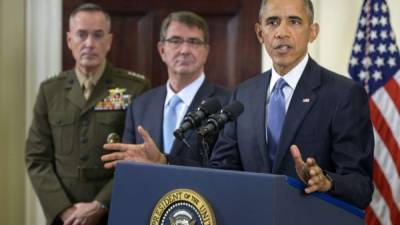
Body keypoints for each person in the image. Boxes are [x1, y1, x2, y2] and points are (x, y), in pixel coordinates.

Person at [208, 0, 374, 209]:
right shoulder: (243, 94)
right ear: (260, 32)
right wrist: (167, 161)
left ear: (313, 32)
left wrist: (325, 181)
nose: (281, 32)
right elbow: (221, 170)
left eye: (294, 21)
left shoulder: (344, 94)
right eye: (272, 22)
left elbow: (360, 186)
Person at [25, 3, 150, 225]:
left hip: (115, 211)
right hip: (65, 216)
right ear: (69, 40)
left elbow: (139, 158)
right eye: (82, 35)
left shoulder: (135, 89)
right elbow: (37, 158)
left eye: (98, 35)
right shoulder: (50, 90)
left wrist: (101, 204)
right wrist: (63, 210)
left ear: (109, 41)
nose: (90, 43)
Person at [101, 11, 230, 168]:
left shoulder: (226, 104)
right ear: (162, 50)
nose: (184, 50)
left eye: (194, 42)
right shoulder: (140, 106)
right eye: (176, 41)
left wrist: (165, 161)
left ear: (206, 51)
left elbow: (225, 167)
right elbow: (129, 166)